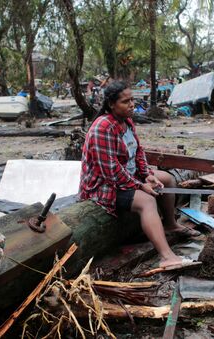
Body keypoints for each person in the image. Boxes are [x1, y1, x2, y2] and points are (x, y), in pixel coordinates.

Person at [79, 81, 199, 270]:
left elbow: (138, 152)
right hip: (104, 185)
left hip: (128, 175)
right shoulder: (102, 128)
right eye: (126, 101)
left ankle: (170, 224)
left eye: (132, 100)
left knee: (166, 179)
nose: (132, 104)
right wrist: (140, 185)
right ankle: (167, 257)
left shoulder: (126, 121)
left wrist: (148, 175)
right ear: (111, 104)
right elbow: (111, 171)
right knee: (147, 201)